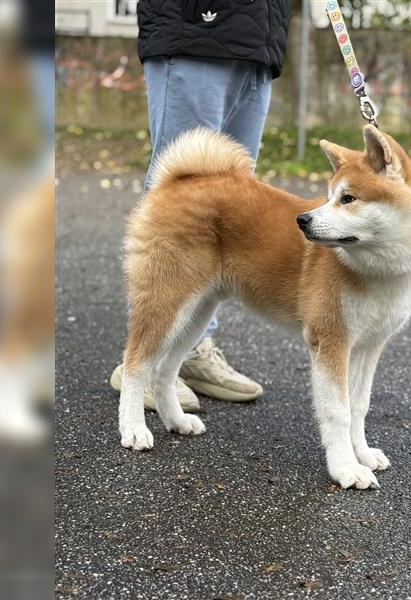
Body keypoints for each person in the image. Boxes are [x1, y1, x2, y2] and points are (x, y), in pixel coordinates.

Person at [109, 0, 292, 411]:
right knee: (180, 198)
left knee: (230, 205)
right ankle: (144, 357)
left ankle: (189, 349)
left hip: (258, 39)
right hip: (196, 25)